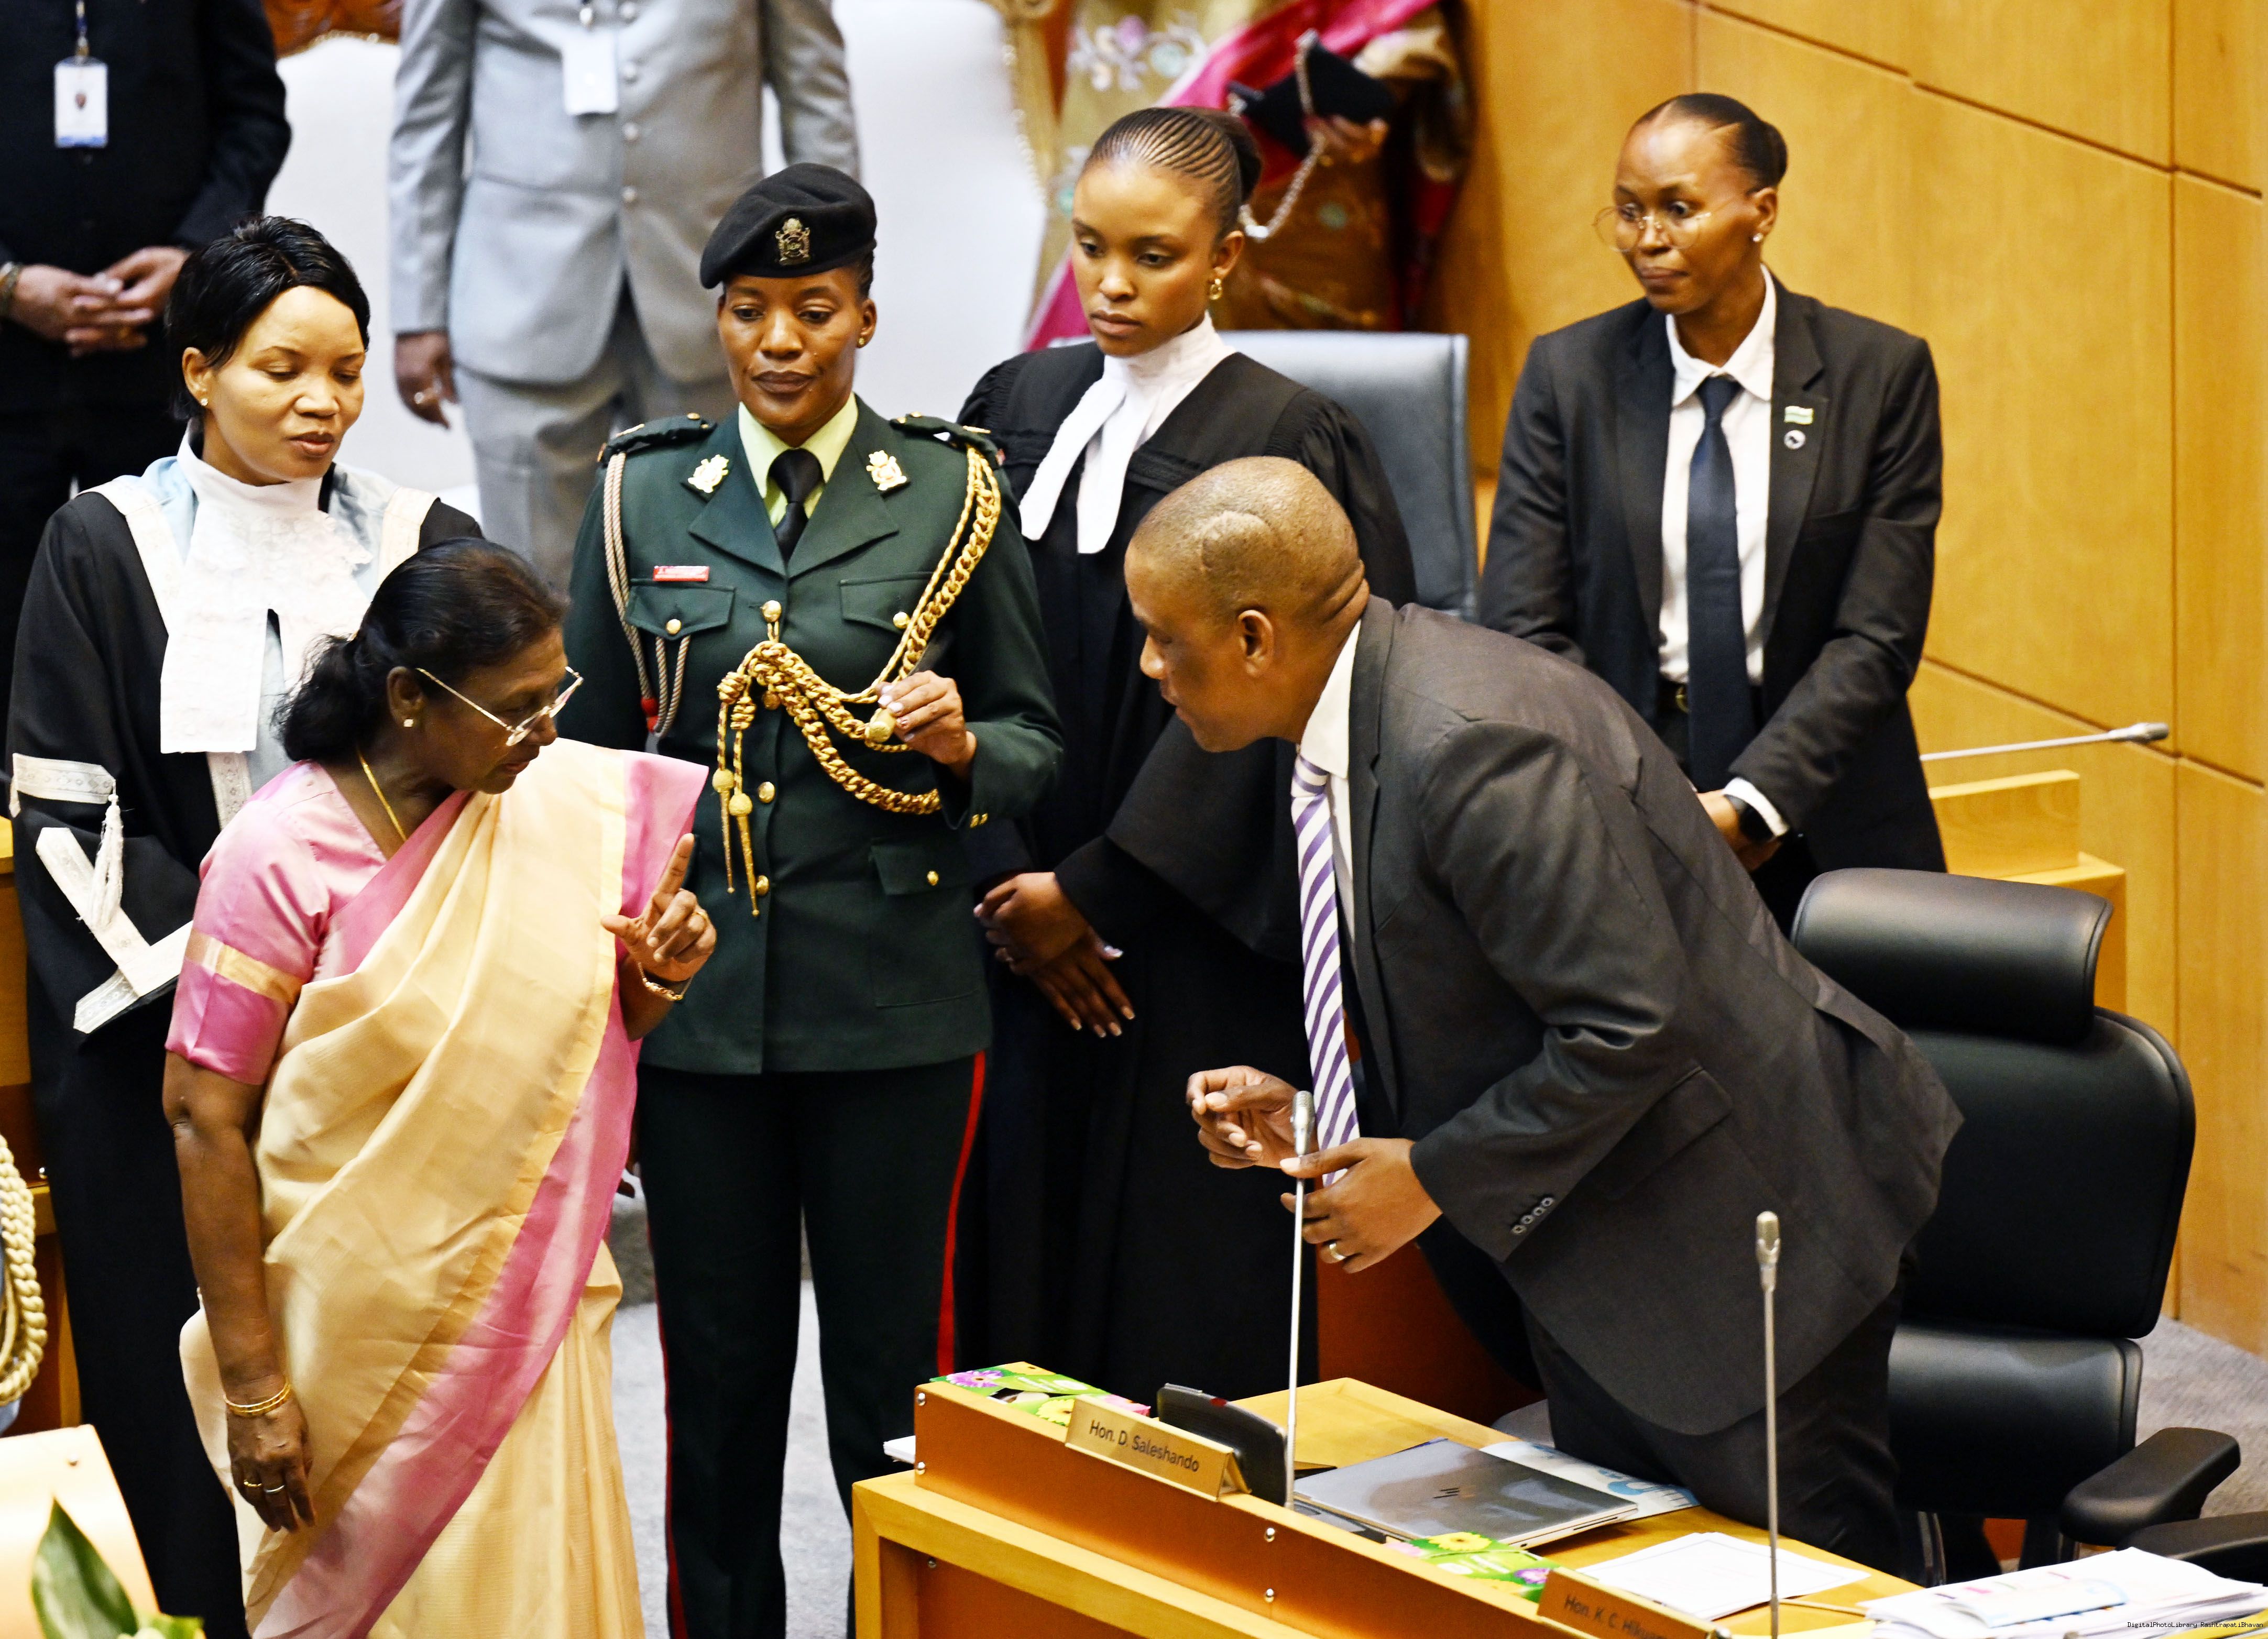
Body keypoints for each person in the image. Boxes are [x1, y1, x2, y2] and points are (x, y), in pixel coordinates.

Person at [1142, 457, 1958, 1574]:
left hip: (1736, 1235)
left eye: (1163, 636)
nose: (1149, 665)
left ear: (1252, 636)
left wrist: (1429, 1174)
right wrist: (1323, 1107)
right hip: (1603, 1238)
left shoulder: (1469, 745)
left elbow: (1628, 1026)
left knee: (1798, 1596)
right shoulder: (1373, 715)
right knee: (1641, 1587)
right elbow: (1481, 1000)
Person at [563, 164, 1060, 1637]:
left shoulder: (951, 496)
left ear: (865, 319)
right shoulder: (642, 491)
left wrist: (964, 746)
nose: (780, 341)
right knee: (714, 1390)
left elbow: (1036, 736)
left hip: (894, 1006)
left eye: (815, 308)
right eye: (751, 310)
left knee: (892, 1395)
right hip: (702, 1011)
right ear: (719, 320)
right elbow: (585, 758)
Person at [7, 218, 476, 1639]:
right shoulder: (101, 545)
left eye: (346, 370)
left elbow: (482, 791)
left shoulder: (424, 542)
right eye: (283, 370)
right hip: (167, 1051)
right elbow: (72, 814)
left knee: (386, 1408)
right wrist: (247, 984)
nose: (323, 402)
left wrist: (362, 979)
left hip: (386, 1042)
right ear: (200, 370)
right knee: (193, 1422)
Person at [954, 107, 1417, 1405]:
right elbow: (939, 640)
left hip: (1195, 933)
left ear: (1224, 257)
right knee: (1015, 1256)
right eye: (1090, 246)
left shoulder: (1287, 435)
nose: (1110, 283)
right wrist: (1008, 878)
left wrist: (1093, 893)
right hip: (1013, 924)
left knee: (1177, 1281)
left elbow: (1309, 693)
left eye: (1152, 255)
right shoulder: (1015, 402)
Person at [165, 541, 713, 1636]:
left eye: (556, 693)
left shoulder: (556, 807)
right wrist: (255, 1386)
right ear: (409, 696)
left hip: (525, 1299)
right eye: (515, 708)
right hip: (352, 1333)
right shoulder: (277, 853)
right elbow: (203, 1115)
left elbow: (583, 1037)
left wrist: (656, 976)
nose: (546, 731)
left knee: (540, 1579)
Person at [1479, 94, 1944, 928]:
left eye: (1678, 209)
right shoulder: (1568, 377)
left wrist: (1755, 802)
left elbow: (1876, 637)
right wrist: (1650, 799)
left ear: (1761, 211)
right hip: (1619, 801)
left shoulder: (1877, 376)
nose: (1646, 239)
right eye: (1628, 211)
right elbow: (1524, 625)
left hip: (1825, 810)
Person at [389, 0, 859, 585]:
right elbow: (427, 114)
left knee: (720, 581)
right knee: (532, 594)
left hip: (716, 296)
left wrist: (830, 285)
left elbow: (815, 94)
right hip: (521, 296)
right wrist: (418, 311)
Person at [0, 0, 289, 729]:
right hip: (8, 359)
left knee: (165, 620)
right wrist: (6, 283)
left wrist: (196, 253)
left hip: (163, 360)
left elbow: (253, 116)